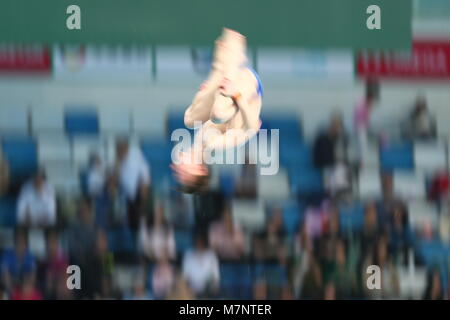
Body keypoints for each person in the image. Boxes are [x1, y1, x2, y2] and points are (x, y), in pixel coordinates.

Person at [172, 28, 263, 193]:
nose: (177, 168)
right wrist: (236, 94)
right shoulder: (213, 145)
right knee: (218, 115)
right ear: (200, 169)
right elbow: (252, 129)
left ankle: (221, 63)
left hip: (228, 87)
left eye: (178, 173)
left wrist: (207, 93)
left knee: (189, 119)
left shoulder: (200, 140)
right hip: (249, 89)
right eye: (184, 173)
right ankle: (233, 46)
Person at [115, 138, 151, 230]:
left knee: (141, 222)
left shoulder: (135, 154)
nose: (118, 153)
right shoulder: (119, 164)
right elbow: (118, 182)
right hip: (128, 199)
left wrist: (144, 187)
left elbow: (145, 171)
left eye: (120, 150)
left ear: (125, 148)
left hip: (139, 194)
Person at [182, 232, 220, 297]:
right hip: (192, 288)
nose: (199, 244)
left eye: (201, 242)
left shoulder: (211, 255)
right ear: (195, 242)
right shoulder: (188, 255)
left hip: (207, 289)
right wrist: (187, 288)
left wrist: (215, 285)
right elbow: (185, 275)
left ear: (204, 243)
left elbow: (215, 274)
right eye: (197, 242)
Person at [354, 78, 380, 166]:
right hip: (359, 125)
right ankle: (362, 161)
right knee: (362, 142)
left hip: (364, 125)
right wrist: (367, 109)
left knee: (368, 139)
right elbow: (359, 116)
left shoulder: (367, 104)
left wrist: (368, 110)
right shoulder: (361, 102)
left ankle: (368, 158)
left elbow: (367, 119)